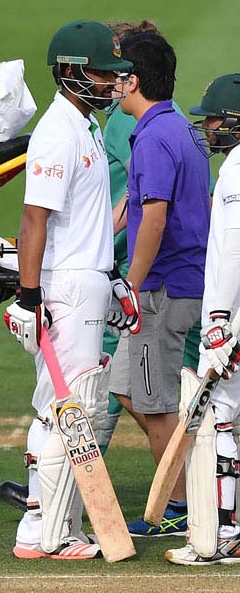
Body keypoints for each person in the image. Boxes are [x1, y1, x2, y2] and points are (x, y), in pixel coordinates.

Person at [2, 19, 133, 560]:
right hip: (67, 286)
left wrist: (114, 278)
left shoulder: (87, 127)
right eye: (102, 73)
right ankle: (50, 534)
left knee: (58, 406)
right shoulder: (59, 132)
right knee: (72, 406)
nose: (110, 83)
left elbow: (86, 221)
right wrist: (29, 297)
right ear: (72, 72)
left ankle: (43, 524)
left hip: (88, 277)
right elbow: (34, 220)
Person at [113, 33, 210, 537]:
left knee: (155, 406)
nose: (109, 82)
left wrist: (129, 284)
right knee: (127, 390)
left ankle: (184, 508)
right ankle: (191, 481)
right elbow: (136, 204)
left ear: (132, 80)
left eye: (116, 73)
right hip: (179, 280)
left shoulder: (152, 137)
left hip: (162, 288)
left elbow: (153, 219)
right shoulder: (180, 128)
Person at [165, 73, 240, 565]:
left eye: (213, 117)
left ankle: (224, 534)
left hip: (232, 318)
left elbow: (233, 246)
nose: (208, 127)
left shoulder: (236, 167)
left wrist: (217, 317)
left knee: (220, 418)